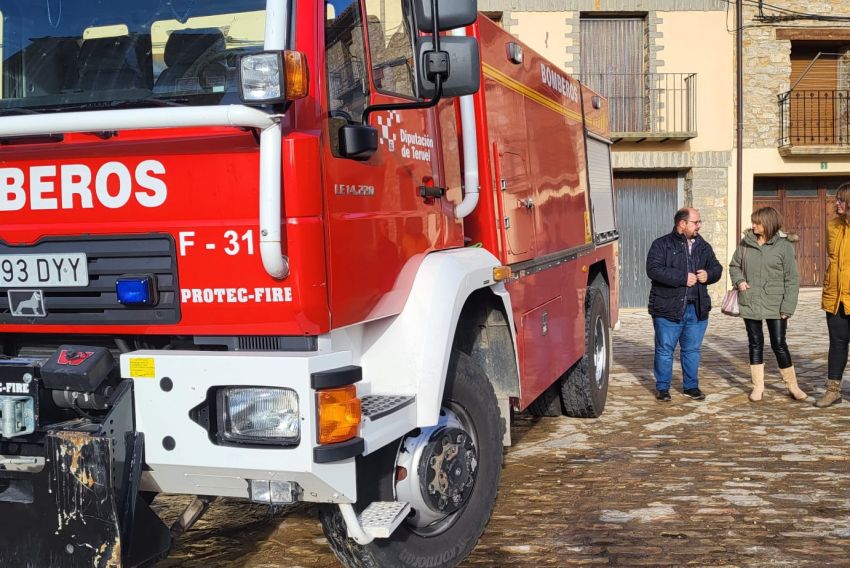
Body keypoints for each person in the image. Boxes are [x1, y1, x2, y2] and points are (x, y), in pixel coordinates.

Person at [728, 207, 805, 402]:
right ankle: (758, 387)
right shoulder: (745, 243)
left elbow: (792, 279)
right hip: (751, 299)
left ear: (768, 224)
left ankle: (792, 386)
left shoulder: (784, 246)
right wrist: (739, 282)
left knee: (779, 343)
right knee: (755, 343)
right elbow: (734, 265)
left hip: (776, 302)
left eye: (757, 222)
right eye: (753, 222)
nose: (753, 225)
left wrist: (788, 307)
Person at [646, 207, 723, 402]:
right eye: (696, 222)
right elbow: (653, 270)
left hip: (696, 308)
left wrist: (709, 274)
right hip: (668, 308)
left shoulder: (702, 245)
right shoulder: (661, 244)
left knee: (692, 350)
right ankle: (663, 388)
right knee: (665, 350)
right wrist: (681, 278)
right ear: (682, 223)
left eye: (699, 222)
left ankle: (691, 387)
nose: (699, 226)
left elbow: (716, 267)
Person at [818, 182, 850, 408]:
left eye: (841, 200)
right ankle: (833, 390)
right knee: (837, 343)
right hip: (835, 295)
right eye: (837, 199)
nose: (836, 203)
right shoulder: (833, 226)